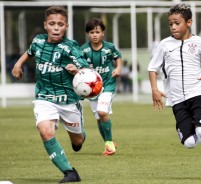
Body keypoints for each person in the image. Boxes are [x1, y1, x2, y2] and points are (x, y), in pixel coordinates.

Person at [11, 6, 89, 183]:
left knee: (78, 141)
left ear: (66, 26)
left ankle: (80, 135)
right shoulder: (38, 41)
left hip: (68, 100)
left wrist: (77, 70)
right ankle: (70, 172)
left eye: (60, 24)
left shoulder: (70, 48)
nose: (56, 27)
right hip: (44, 97)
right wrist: (18, 64)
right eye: (52, 24)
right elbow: (29, 52)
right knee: (45, 132)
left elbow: (86, 69)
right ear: (45, 25)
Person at [147, 4, 201, 181]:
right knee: (188, 143)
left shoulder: (199, 42)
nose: (173, 27)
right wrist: (155, 90)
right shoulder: (164, 45)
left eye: (177, 23)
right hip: (177, 99)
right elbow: (152, 68)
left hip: (199, 93)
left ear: (188, 22)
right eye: (170, 23)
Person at [80, 18, 122, 156]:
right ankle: (108, 143)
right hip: (92, 89)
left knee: (102, 112)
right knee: (99, 117)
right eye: (91, 32)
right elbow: (79, 65)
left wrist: (118, 68)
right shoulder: (84, 50)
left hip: (108, 85)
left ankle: (109, 143)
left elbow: (118, 57)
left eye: (97, 32)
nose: (95, 34)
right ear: (88, 34)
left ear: (103, 33)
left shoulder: (109, 47)